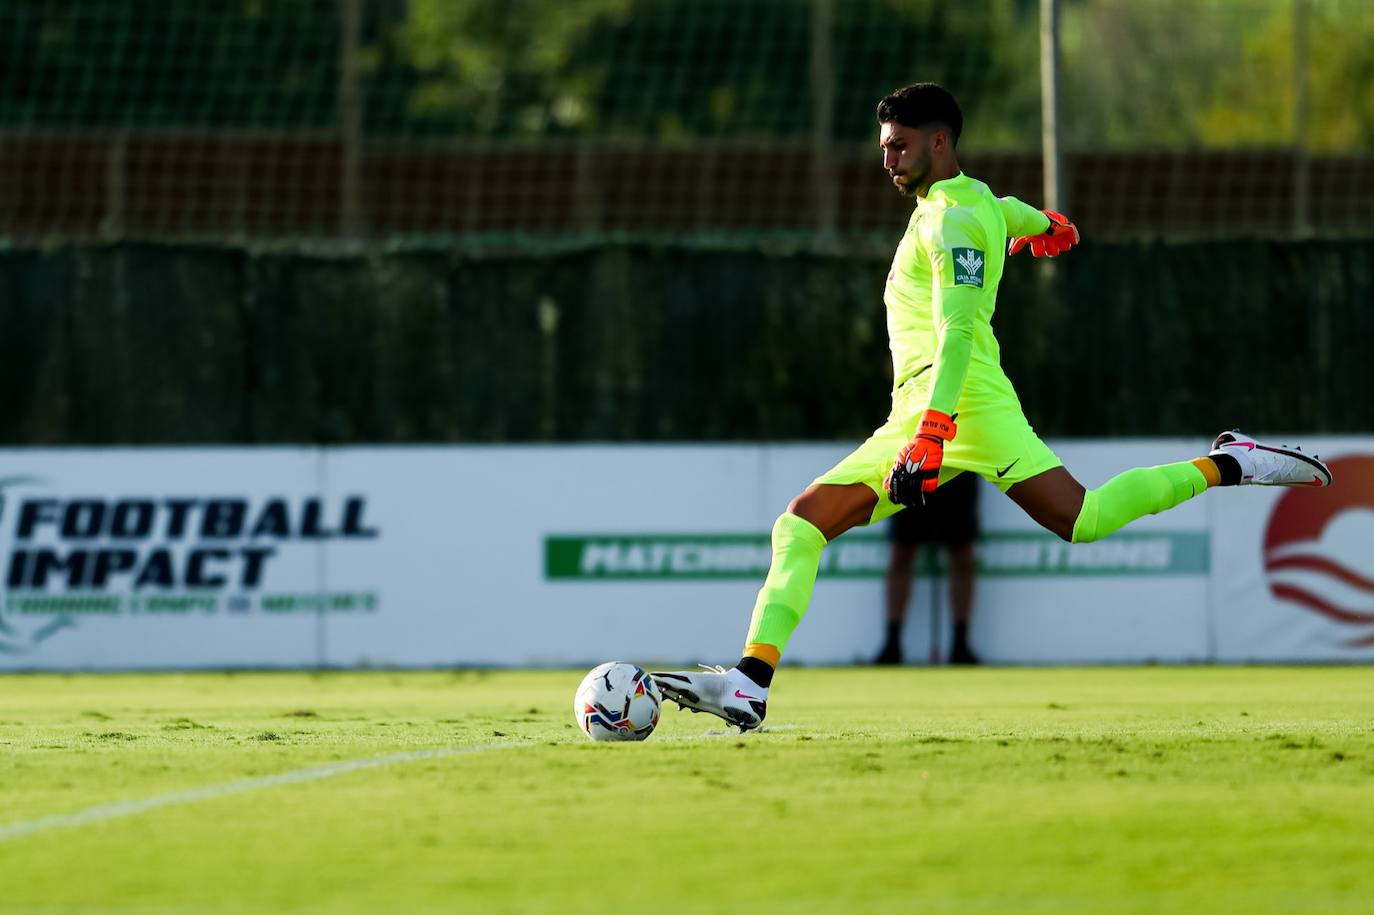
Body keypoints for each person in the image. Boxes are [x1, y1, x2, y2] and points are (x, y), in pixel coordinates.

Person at [652, 83, 1332, 732]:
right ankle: (1226, 464)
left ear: (940, 142)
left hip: (954, 405)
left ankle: (750, 682)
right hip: (940, 408)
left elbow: (958, 332)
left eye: (900, 145)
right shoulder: (970, 202)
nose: (887, 158)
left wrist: (933, 432)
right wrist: (1049, 226)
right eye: (885, 145)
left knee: (804, 524)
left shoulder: (950, 221)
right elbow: (1010, 208)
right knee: (1074, 518)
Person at [874, 470, 980, 666]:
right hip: (912, 463)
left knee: (962, 553)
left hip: (958, 465)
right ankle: (892, 644)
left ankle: (960, 644)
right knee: (901, 552)